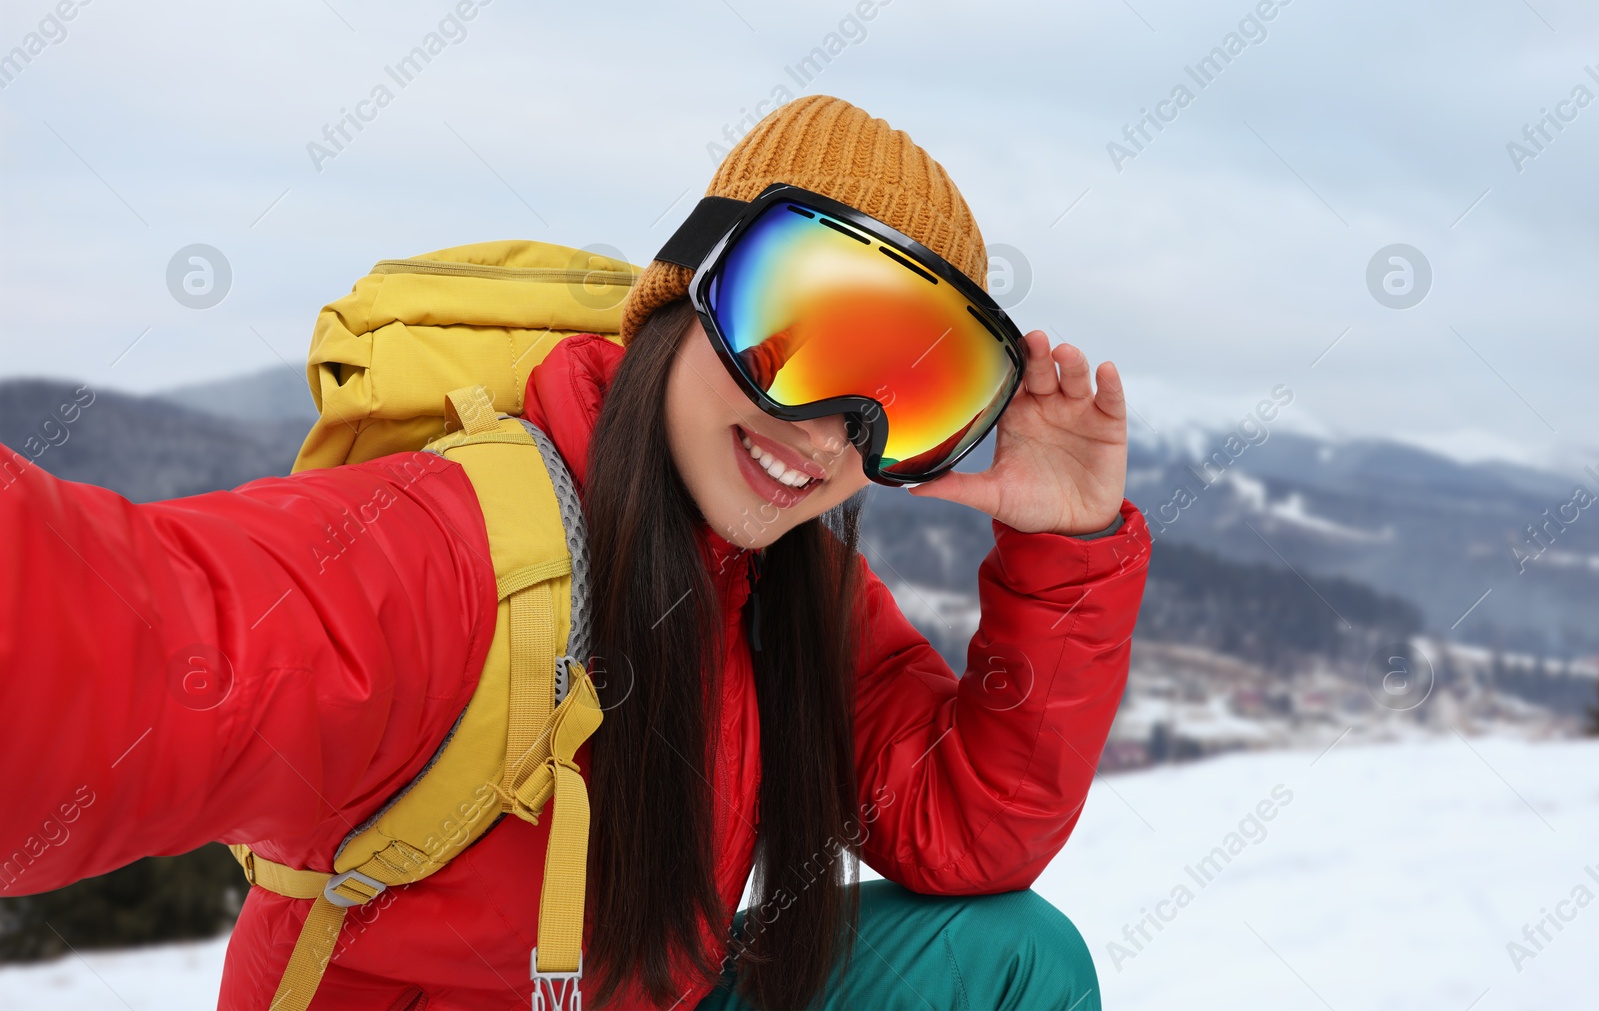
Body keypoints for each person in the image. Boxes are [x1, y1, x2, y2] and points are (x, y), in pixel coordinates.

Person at [0, 94, 1150, 1010]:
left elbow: (969, 821)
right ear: (688, 286)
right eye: (791, 334)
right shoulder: (465, 550)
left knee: (1014, 960)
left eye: (906, 390)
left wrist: (1064, 546)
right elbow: (136, 634)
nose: (827, 427)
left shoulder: (788, 587)